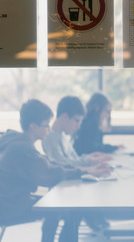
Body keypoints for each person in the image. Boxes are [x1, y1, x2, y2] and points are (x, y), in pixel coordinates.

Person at [0, 99, 86, 242]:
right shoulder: (22, 148)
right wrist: (83, 171)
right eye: (46, 125)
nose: (49, 129)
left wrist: (82, 169)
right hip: (10, 207)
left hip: (10, 201)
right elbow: (49, 174)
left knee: (56, 205)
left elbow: (48, 164)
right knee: (70, 209)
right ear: (33, 126)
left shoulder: (16, 142)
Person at [42, 96, 113, 233]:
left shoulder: (62, 136)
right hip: (61, 191)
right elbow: (62, 164)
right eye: (77, 121)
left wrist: (91, 158)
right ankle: (96, 222)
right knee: (80, 209)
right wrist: (90, 164)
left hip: (68, 186)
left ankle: (95, 222)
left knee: (84, 204)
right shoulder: (51, 138)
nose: (79, 126)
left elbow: (74, 159)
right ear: (64, 116)